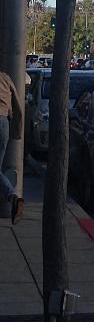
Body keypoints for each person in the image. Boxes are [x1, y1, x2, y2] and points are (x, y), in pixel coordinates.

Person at [0, 71, 24, 225]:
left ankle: (12, 195)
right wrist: (17, 131)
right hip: (3, 123)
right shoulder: (5, 77)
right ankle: (13, 197)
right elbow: (17, 103)